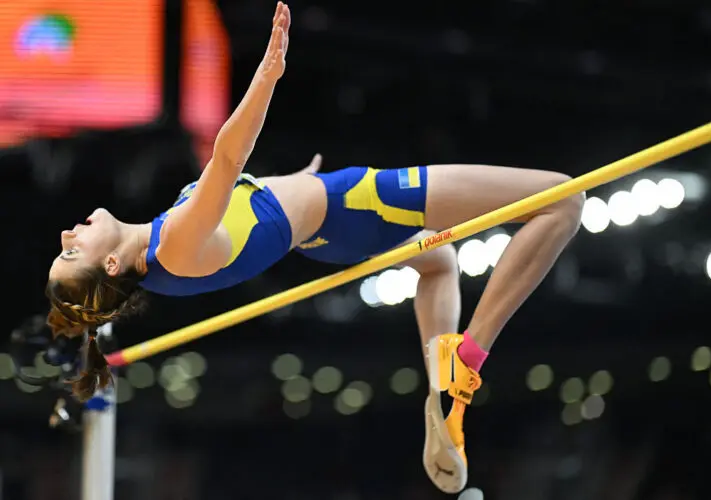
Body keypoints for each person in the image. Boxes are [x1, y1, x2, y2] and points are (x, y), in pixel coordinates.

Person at [45, 2, 584, 493]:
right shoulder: (173, 248)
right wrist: (267, 74)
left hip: (327, 232)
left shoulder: (166, 250)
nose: (68, 235)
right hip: (358, 204)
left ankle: (440, 393)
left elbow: (240, 208)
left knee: (439, 262)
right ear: (110, 264)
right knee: (563, 200)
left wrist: (289, 186)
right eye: (72, 252)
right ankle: (467, 359)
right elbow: (227, 160)